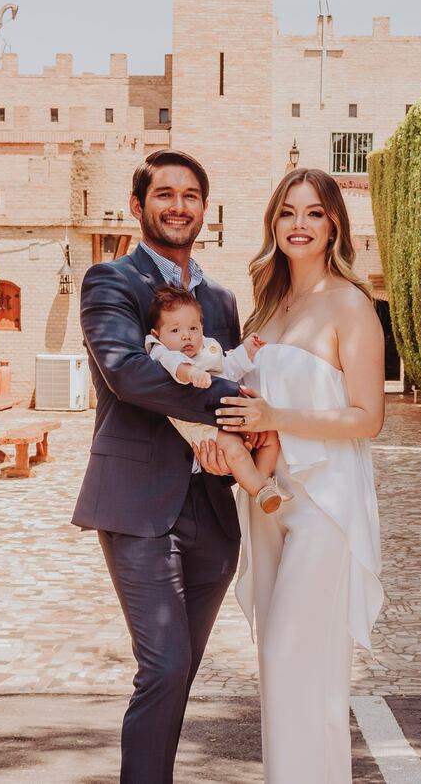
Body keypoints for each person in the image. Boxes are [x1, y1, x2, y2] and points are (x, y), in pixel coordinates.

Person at [196, 167, 386, 784]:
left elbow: (368, 417)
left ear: (335, 224)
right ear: (272, 223)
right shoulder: (271, 304)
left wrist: (276, 415)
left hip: (327, 503)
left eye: (313, 213)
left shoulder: (350, 304)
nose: (298, 225)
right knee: (279, 667)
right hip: (268, 501)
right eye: (287, 212)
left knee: (293, 655)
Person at [72, 149, 245, 784]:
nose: (178, 205)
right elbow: (126, 371)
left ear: (205, 207)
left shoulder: (222, 301)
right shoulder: (110, 281)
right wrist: (237, 403)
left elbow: (229, 367)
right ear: (139, 204)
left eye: (191, 195)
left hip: (213, 516)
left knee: (177, 675)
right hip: (138, 506)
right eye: (164, 194)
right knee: (164, 668)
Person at [145, 283, 282, 513]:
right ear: (157, 335)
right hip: (202, 425)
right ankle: (260, 490)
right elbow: (174, 366)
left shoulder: (207, 349)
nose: (186, 336)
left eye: (193, 328)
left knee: (270, 439)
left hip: (227, 416)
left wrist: (248, 350)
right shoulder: (162, 351)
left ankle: (262, 481)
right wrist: (191, 373)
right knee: (236, 451)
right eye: (175, 330)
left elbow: (228, 368)